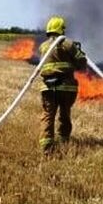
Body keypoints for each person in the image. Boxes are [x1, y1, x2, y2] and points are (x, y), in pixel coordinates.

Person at [38, 15, 88, 151]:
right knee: (64, 115)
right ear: (62, 29)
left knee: (48, 116)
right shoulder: (68, 44)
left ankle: (46, 148)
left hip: (47, 88)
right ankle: (64, 141)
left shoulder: (43, 47)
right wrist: (77, 57)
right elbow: (82, 62)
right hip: (66, 87)